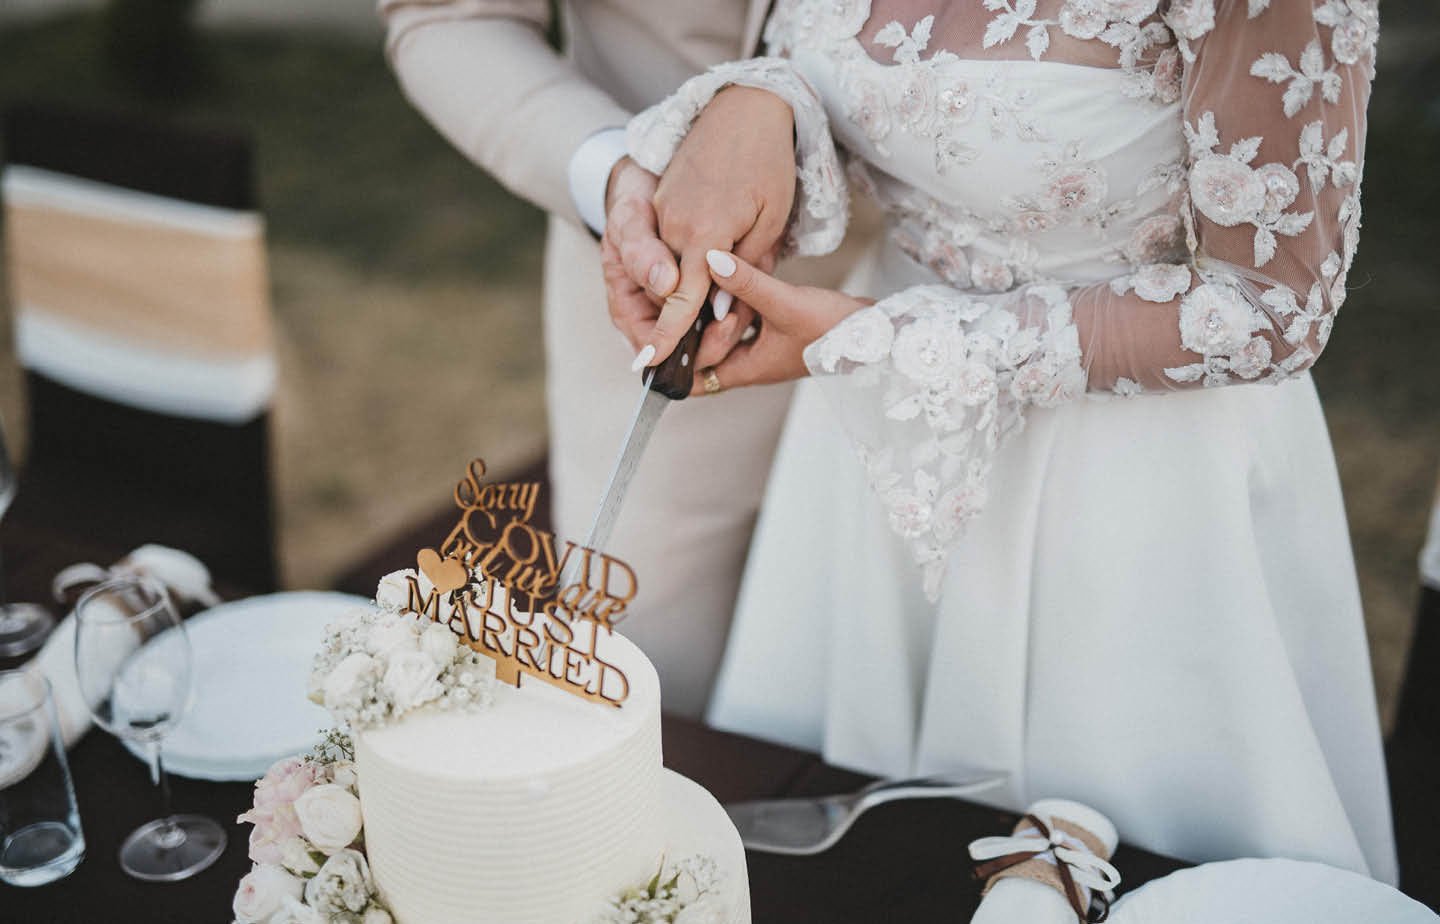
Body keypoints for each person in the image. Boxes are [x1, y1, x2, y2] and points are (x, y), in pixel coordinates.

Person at [623, 0, 1397, 884]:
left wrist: (907, 345)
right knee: (852, 880)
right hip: (881, 444)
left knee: (1129, 875)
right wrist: (760, 101)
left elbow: (1271, 309)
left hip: (1137, 489)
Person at [376, 0, 859, 716]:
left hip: (963, 333)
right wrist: (617, 178)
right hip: (662, 307)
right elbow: (448, 17)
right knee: (642, 687)